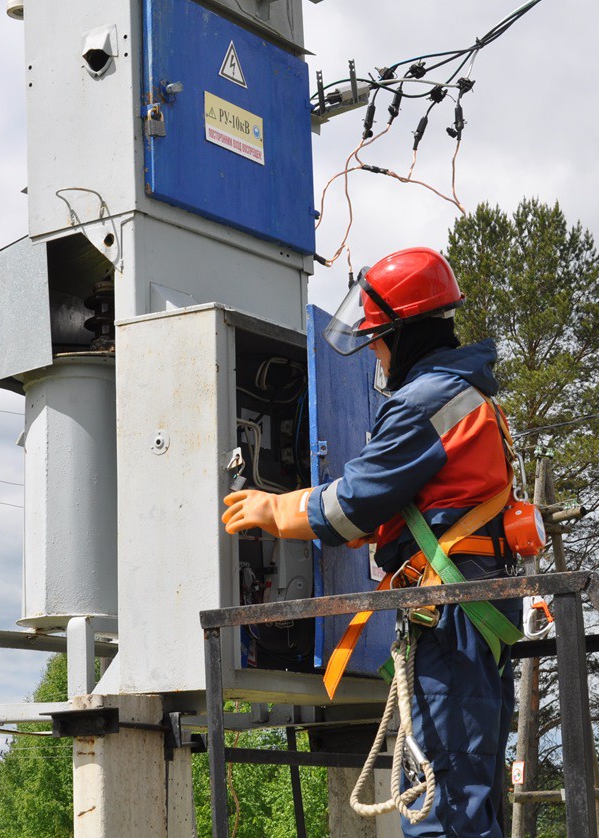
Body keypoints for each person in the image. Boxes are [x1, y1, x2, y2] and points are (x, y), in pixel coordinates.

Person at [221, 246, 520, 837]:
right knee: (470, 795)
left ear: (405, 333)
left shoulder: (424, 401)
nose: (376, 353)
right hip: (474, 611)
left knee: (443, 807)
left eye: (379, 339)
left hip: (452, 620)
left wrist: (272, 508)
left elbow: (350, 506)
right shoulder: (469, 395)